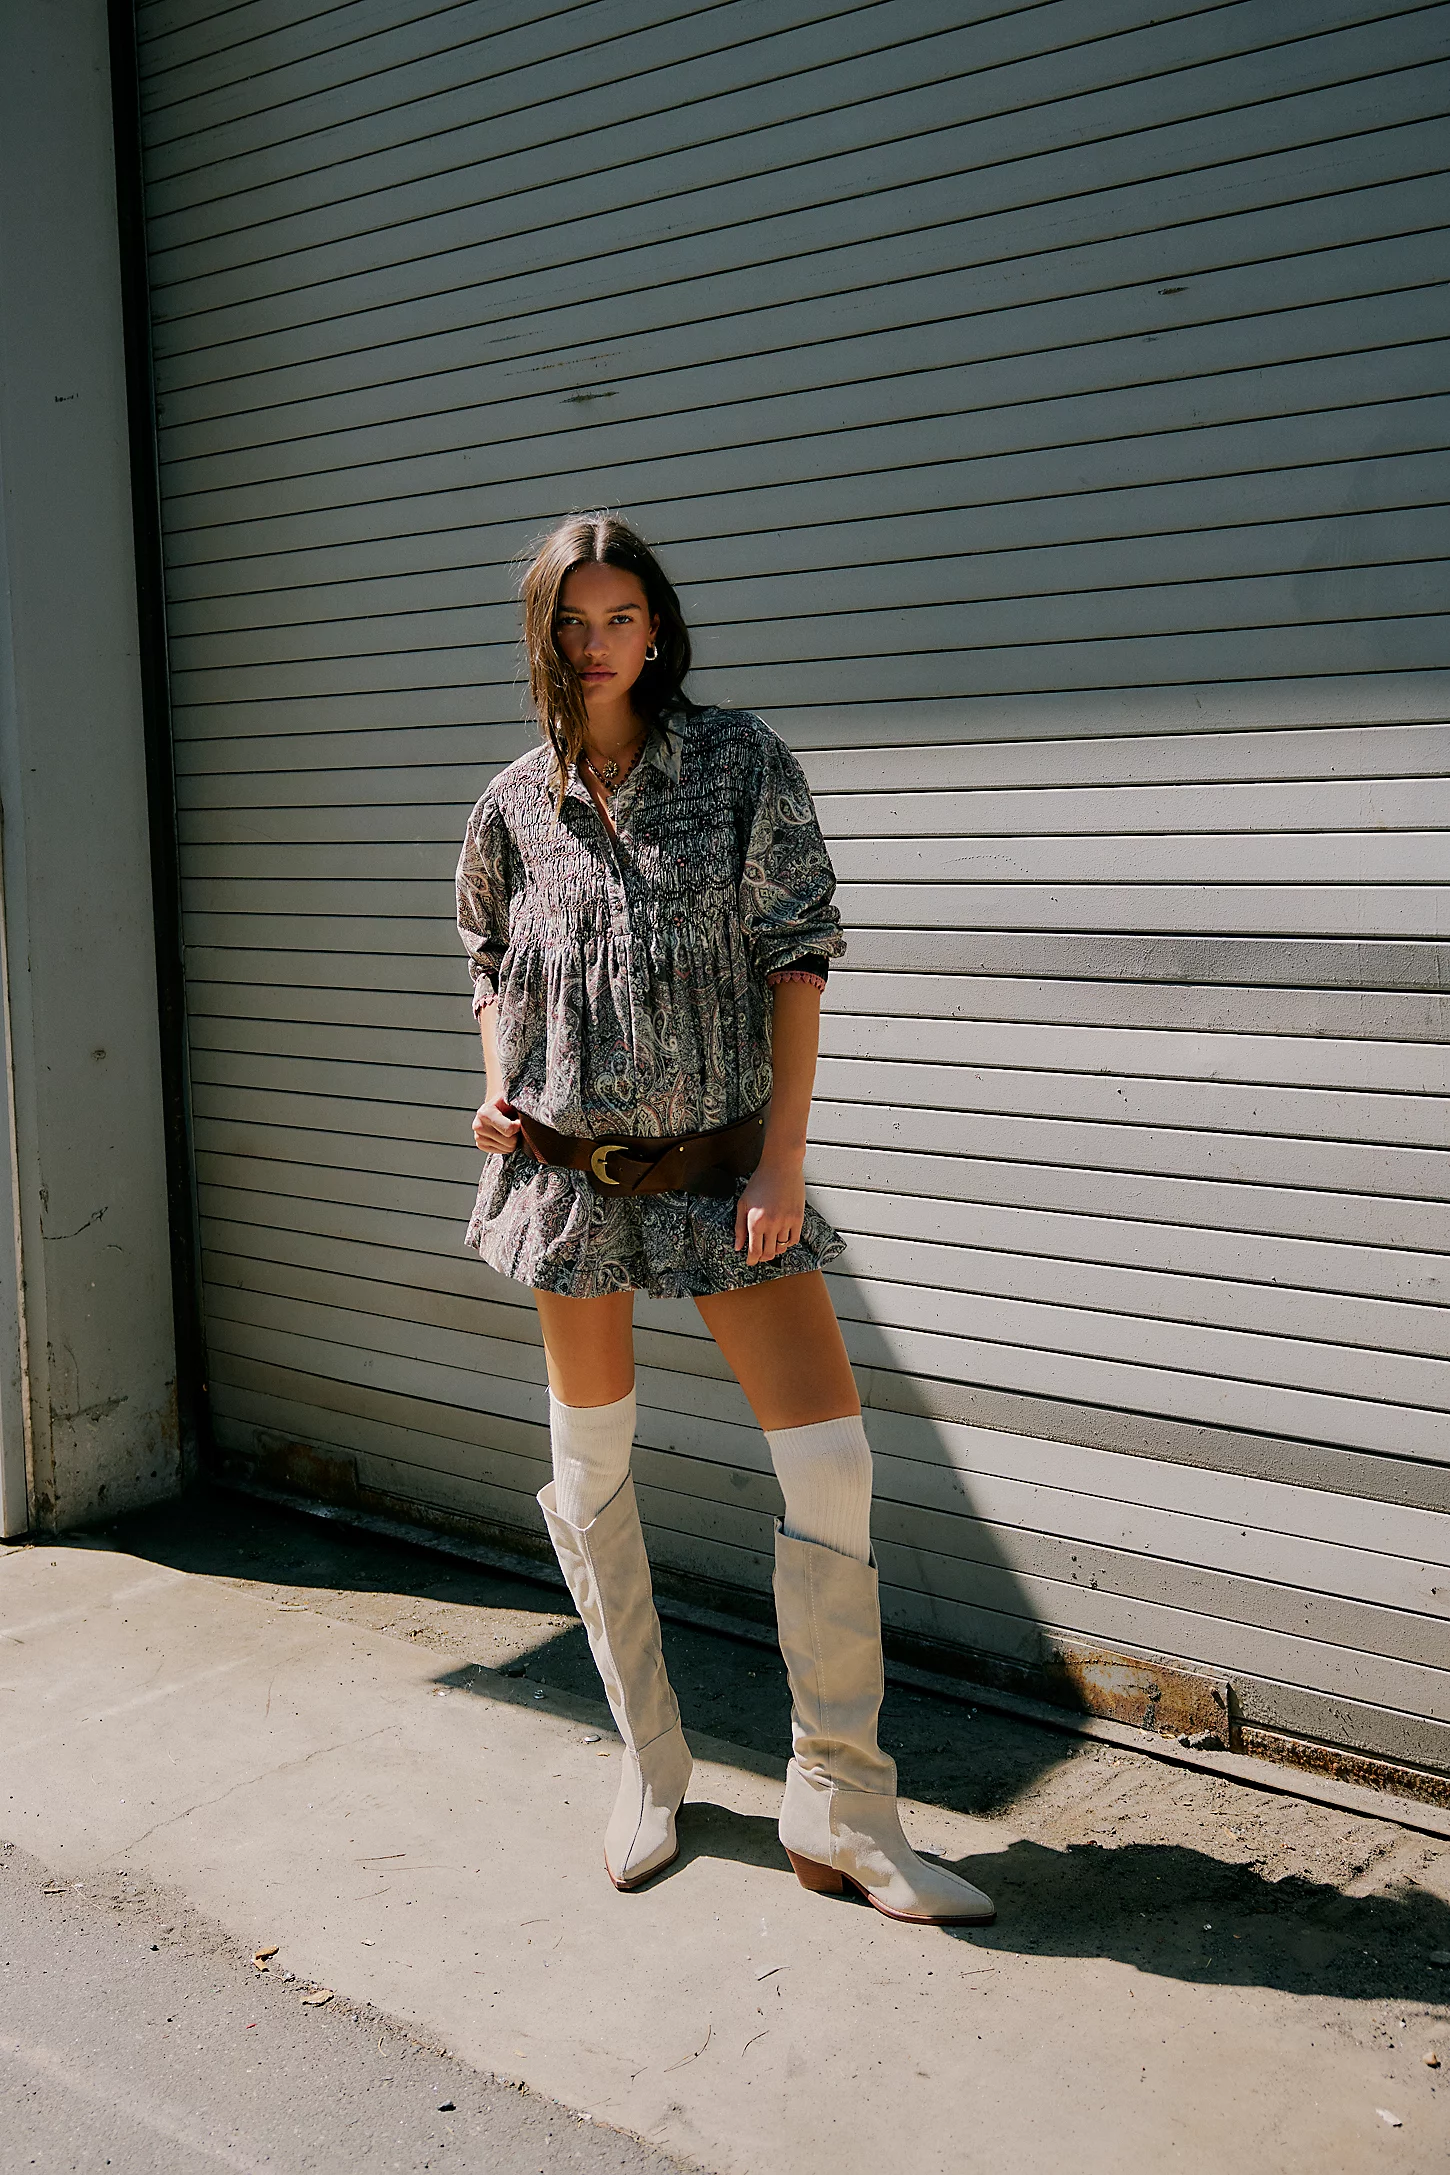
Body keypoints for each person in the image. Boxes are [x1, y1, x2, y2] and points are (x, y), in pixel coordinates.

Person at [455, 512, 993, 1926]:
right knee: (590, 1470)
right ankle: (650, 1762)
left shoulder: (742, 764)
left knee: (831, 1464)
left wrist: (781, 1166)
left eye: (620, 617)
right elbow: (489, 955)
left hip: (721, 1175)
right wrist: (499, 1085)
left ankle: (842, 1807)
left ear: (658, 628)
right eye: (571, 622)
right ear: (542, 637)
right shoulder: (513, 804)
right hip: (566, 1182)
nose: (596, 645)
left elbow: (798, 960)